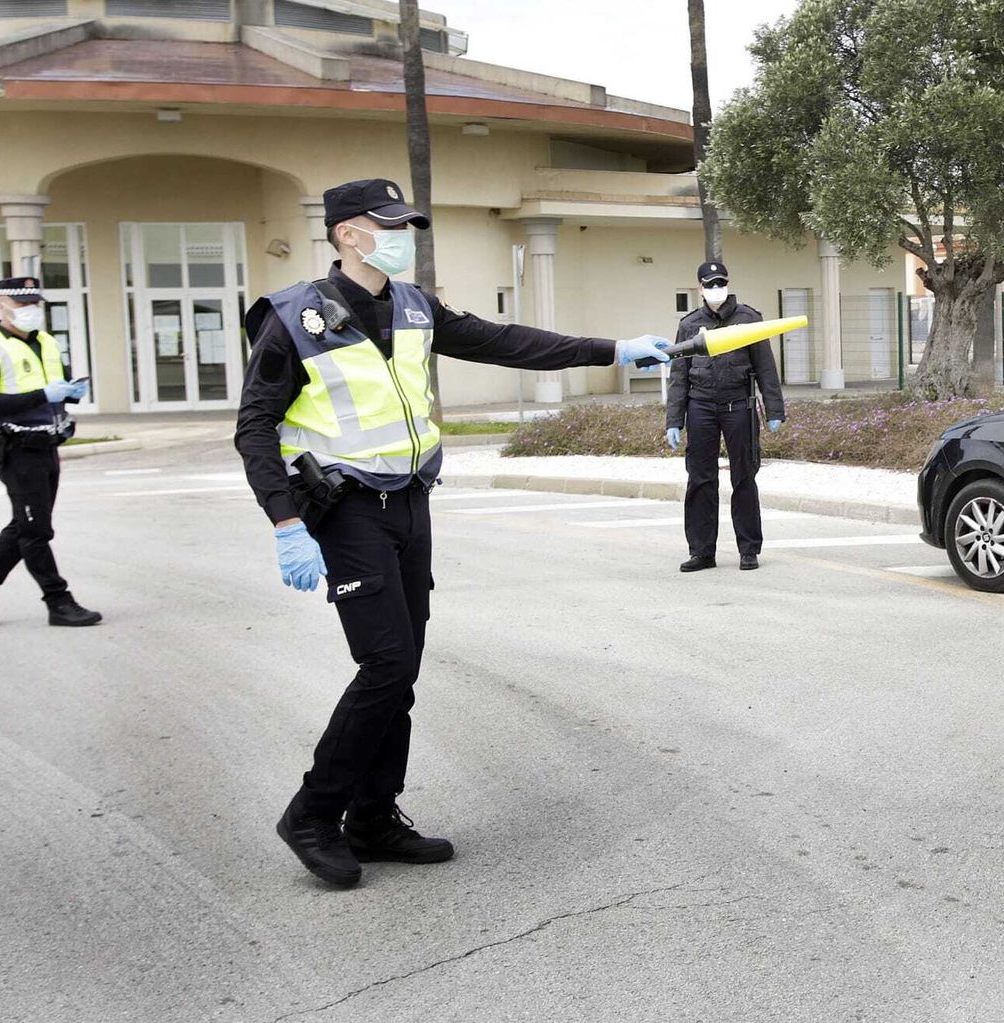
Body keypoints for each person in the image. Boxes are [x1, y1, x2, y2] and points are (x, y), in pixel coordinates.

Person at [236, 178, 669, 888]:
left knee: (401, 670)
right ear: (347, 233)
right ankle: (312, 812)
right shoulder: (294, 317)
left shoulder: (413, 306)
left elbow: (504, 341)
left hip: (409, 504)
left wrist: (613, 349)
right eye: (389, 223)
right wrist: (286, 521)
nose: (404, 234)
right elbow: (254, 426)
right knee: (385, 665)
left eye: (406, 223)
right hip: (344, 510)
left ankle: (373, 816)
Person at [0, 277, 101, 629]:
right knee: (36, 530)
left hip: (46, 443)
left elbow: (53, 386)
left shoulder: (45, 342)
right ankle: (58, 601)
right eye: (22, 305)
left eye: (35, 304)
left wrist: (70, 391)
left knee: (27, 523)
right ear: (1, 304)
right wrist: (43, 396)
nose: (30, 311)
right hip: (14, 447)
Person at [664, 261, 786, 573]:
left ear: (727, 284)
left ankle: (749, 550)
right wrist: (674, 420)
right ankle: (702, 551)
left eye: (720, 283)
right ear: (700, 288)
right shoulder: (689, 324)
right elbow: (679, 375)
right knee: (701, 479)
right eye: (710, 285)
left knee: (743, 477)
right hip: (701, 407)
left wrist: (774, 410)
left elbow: (765, 368)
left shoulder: (748, 319)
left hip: (738, 406)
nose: (716, 290)